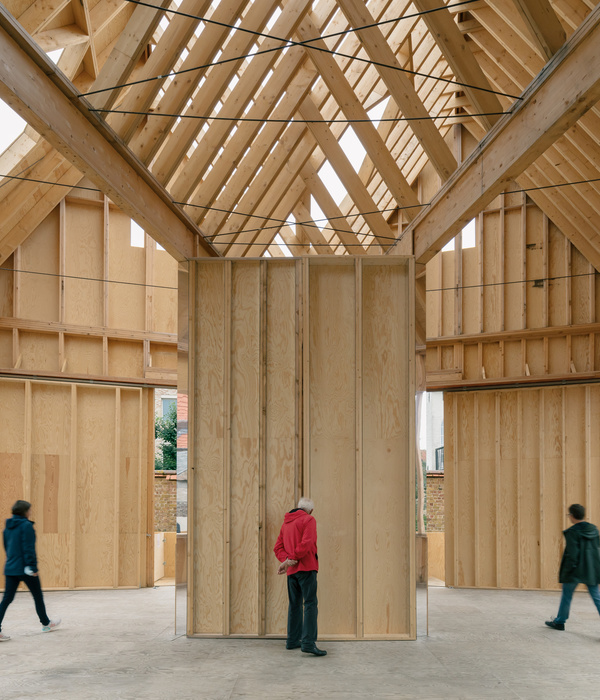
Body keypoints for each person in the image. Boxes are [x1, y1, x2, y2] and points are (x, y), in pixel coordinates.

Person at [0, 500, 60, 641]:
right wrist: (32, 567)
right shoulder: (26, 526)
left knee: (7, 599)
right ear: (25, 512)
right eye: (29, 510)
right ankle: (46, 624)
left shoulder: (7, 527)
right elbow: (29, 548)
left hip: (11, 568)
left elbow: (6, 547)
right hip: (26, 568)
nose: (30, 512)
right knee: (37, 596)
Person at [274, 497, 326, 656]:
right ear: (310, 510)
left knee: (295, 604)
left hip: (292, 571)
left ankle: (292, 640)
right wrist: (293, 559)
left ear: (298, 508)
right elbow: (307, 543)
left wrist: (287, 561)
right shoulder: (309, 520)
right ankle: (308, 643)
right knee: (310, 603)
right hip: (307, 568)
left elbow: (277, 547)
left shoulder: (286, 523)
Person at [545, 503, 600, 631]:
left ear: (572, 516)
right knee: (597, 597)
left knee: (567, 595)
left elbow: (572, 555)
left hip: (575, 570)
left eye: (569, 515)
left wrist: (566, 573)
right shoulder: (594, 530)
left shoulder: (572, 532)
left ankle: (560, 622)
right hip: (591, 569)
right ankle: (559, 620)